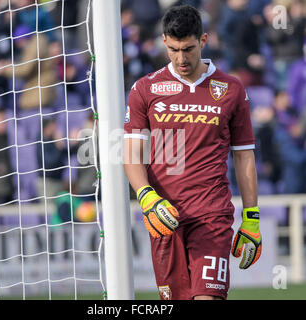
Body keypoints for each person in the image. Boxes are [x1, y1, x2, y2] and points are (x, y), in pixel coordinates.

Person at [123, 5, 261, 300]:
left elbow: (244, 155)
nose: (181, 58)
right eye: (173, 49)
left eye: (188, 48)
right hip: (164, 215)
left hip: (212, 214)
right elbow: (132, 153)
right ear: (164, 41)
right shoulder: (145, 89)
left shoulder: (231, 89)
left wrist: (251, 216)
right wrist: (146, 195)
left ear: (203, 40)